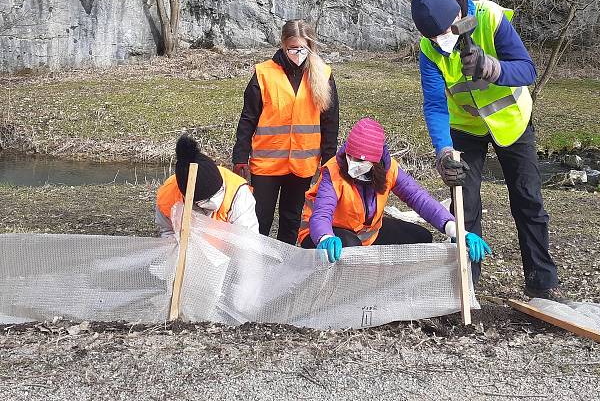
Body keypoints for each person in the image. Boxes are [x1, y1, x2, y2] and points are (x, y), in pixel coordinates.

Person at [410, 0, 562, 300]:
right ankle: (465, 288)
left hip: (512, 122)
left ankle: (541, 284)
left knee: (527, 200)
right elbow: (436, 105)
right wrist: (443, 150)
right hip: (465, 128)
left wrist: (492, 67)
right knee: (464, 206)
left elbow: (528, 69)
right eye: (435, 37)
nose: (443, 41)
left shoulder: (489, 17)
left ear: (457, 16)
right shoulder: (429, 48)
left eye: (446, 33)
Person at [297, 118, 491, 264]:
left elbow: (419, 199)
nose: (352, 164)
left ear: (375, 162)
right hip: (322, 237)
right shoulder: (333, 171)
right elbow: (321, 214)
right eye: (350, 156)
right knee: (350, 249)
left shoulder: (390, 171)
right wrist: (325, 236)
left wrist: (455, 229)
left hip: (365, 234)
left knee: (421, 237)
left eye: (360, 160)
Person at [232, 19, 339, 244]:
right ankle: (255, 265)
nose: (297, 53)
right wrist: (240, 157)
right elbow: (247, 119)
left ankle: (284, 266)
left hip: (302, 165)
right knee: (260, 219)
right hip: (267, 164)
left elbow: (330, 123)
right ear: (283, 45)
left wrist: (328, 162)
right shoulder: (263, 73)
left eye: (303, 48)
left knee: (291, 220)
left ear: (310, 46)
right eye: (293, 48)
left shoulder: (322, 74)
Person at [156, 134, 258, 236]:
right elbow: (168, 233)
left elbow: (247, 242)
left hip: (225, 250)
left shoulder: (238, 193)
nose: (214, 203)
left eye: (218, 194)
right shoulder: (168, 195)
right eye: (206, 202)